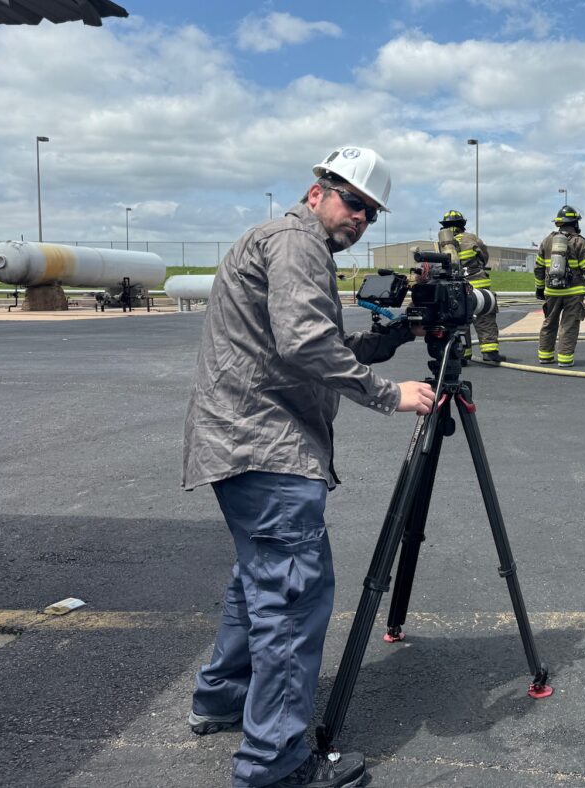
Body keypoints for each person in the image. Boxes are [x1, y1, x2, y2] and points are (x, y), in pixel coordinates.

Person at [182, 146, 436, 788]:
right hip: (268, 447)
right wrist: (388, 393)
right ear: (317, 190)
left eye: (371, 213)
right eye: (354, 202)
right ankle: (274, 762)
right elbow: (304, 344)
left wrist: (388, 339)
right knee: (293, 599)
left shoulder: (276, 241)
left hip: (240, 443)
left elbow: (294, 342)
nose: (360, 220)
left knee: (259, 583)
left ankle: (221, 698)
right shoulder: (298, 243)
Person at [534, 205, 585, 366]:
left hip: (552, 290)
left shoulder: (547, 241)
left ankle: (545, 356)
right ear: (575, 223)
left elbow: (539, 267)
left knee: (549, 323)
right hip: (573, 292)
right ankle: (565, 359)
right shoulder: (579, 242)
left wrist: (539, 287)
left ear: (559, 223)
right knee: (569, 325)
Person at [438, 209, 502, 363]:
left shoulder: (442, 243)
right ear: (462, 224)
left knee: (460, 320)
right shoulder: (471, 238)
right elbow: (484, 255)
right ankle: (489, 352)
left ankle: (462, 354)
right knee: (485, 316)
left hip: (456, 287)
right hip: (478, 285)